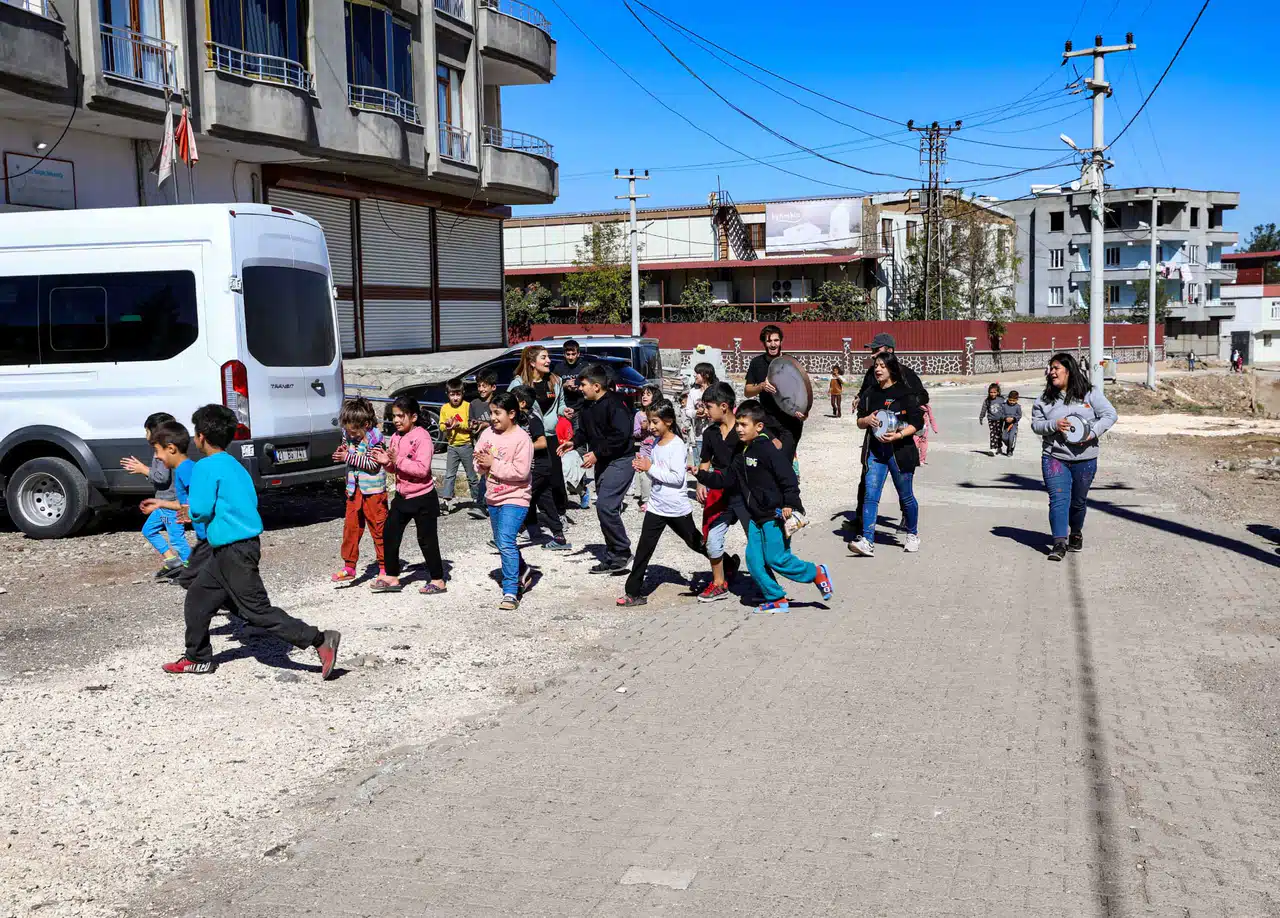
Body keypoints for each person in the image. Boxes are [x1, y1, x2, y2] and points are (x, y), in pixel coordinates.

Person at [164, 405, 340, 678]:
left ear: (200, 437)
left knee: (257, 611)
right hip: (234, 547)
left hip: (233, 549)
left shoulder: (204, 467)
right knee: (198, 598)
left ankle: (319, 639)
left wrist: (190, 511)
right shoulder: (235, 464)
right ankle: (197, 657)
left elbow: (200, 509)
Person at [695, 400, 832, 614]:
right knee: (754, 562)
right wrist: (700, 475)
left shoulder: (767, 449)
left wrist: (790, 504)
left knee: (777, 558)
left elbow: (788, 479)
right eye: (737, 424)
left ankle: (815, 573)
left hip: (775, 515)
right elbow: (727, 479)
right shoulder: (741, 453)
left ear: (758, 427)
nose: (739, 429)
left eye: (744, 425)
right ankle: (776, 598)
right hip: (755, 517)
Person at [617, 402, 707, 607]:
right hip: (657, 506)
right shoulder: (657, 443)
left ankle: (726, 564)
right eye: (649, 421)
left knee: (695, 543)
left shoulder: (677, 445)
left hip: (676, 507)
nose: (651, 426)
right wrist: (643, 466)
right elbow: (656, 469)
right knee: (643, 549)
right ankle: (633, 592)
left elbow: (677, 478)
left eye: (655, 421)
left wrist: (650, 468)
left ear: (669, 421)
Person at [1031, 352, 1118, 562]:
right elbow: (1036, 425)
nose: (1051, 373)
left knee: (1077, 502)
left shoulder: (1090, 394)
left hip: (1085, 459)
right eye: (1050, 369)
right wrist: (1054, 424)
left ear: (1069, 371)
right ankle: (1059, 542)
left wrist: (1092, 433)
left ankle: (1076, 533)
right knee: (1058, 500)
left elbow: (1110, 415)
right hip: (1054, 457)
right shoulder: (1044, 400)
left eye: (1056, 368)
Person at [557, 363, 635, 574]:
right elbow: (585, 431)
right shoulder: (587, 406)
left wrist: (598, 453)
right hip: (603, 462)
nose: (579, 388)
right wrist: (573, 442)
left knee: (605, 506)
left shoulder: (616, 405)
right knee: (604, 509)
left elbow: (621, 436)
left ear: (597, 386)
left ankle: (622, 551)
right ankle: (612, 556)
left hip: (621, 461)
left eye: (583, 384)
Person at [852, 333, 930, 533]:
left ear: (890, 351)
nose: (873, 355)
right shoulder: (872, 373)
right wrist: (859, 400)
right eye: (872, 351)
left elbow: (922, 396)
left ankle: (908, 520)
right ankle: (862, 519)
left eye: (876, 350)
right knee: (867, 475)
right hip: (875, 433)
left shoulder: (906, 374)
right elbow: (864, 393)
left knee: (902, 485)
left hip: (898, 437)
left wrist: (903, 410)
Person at [370, 396, 447, 596]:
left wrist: (398, 460)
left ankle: (438, 580)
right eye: (393, 416)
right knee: (390, 533)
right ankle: (392, 576)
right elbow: (394, 468)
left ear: (413, 417)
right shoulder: (395, 437)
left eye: (400, 416)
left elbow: (422, 469)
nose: (396, 420)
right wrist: (385, 462)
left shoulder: (422, 437)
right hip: (402, 496)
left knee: (427, 539)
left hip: (423, 497)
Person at [475, 392, 534, 610]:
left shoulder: (521, 439)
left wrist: (492, 463)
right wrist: (481, 465)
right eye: (491, 412)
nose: (493, 417)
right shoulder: (487, 434)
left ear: (512, 413)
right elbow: (478, 458)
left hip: (516, 496)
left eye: (497, 413)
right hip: (493, 495)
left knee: (507, 540)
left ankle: (511, 590)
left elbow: (521, 472)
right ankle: (523, 570)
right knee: (501, 541)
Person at [122, 411, 190, 578]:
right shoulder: (165, 450)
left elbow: (161, 477)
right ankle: (172, 561)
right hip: (163, 504)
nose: (145, 435)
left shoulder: (162, 453)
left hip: (170, 505)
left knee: (177, 539)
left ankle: (191, 569)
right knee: (148, 530)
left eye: (147, 431)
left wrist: (142, 469)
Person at [330, 397, 388, 585]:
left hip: (373, 492)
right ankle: (349, 565)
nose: (349, 434)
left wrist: (349, 457)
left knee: (379, 529)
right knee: (351, 528)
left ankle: (384, 566)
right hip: (354, 491)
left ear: (365, 424)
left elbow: (372, 465)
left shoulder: (375, 439)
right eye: (346, 430)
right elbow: (350, 451)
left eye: (353, 430)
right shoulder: (350, 436)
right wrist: (344, 451)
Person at [695, 381, 744, 603]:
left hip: (745, 494)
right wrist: (700, 483)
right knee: (712, 538)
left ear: (723, 406)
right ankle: (718, 583)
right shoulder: (710, 433)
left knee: (757, 541)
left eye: (709, 406)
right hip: (720, 492)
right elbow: (705, 462)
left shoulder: (745, 429)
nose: (705, 411)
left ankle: (767, 583)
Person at [511, 384, 571, 552]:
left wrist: (522, 446)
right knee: (545, 501)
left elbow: (542, 442)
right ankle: (557, 537)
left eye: (512, 400)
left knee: (522, 497)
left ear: (522, 403)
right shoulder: (520, 417)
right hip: (537, 467)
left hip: (540, 467)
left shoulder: (532, 418)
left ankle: (506, 535)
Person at [511, 345, 569, 516]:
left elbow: (560, 405)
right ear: (532, 362)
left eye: (548, 357)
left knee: (556, 478)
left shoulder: (555, 381)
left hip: (550, 436)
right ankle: (528, 518)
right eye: (543, 357)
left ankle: (560, 513)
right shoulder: (518, 384)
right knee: (530, 478)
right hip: (529, 437)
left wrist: (564, 411)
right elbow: (510, 407)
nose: (548, 361)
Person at [743, 325, 806, 466]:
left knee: (784, 462)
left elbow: (802, 391)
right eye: (769, 341)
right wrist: (761, 386)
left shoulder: (791, 362)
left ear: (781, 341)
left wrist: (803, 411)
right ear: (764, 343)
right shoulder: (756, 363)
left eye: (776, 340)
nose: (773, 344)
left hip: (791, 422)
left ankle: (788, 485)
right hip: (767, 421)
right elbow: (747, 391)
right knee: (768, 461)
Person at [439, 378, 481, 514]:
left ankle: (477, 500)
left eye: (458, 394)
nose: (455, 398)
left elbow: (471, 426)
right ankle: (446, 501)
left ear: (463, 393)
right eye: (452, 394)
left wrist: (459, 425)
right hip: (452, 446)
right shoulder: (445, 408)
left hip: (466, 445)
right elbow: (440, 425)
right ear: (447, 394)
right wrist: (447, 427)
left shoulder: (468, 407)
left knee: (471, 475)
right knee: (450, 475)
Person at [468, 371, 498, 518]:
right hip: (482, 444)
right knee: (485, 473)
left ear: (493, 387)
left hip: (498, 444)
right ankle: (481, 504)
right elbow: (471, 423)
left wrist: (486, 424)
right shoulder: (474, 404)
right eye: (479, 386)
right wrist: (474, 426)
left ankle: (486, 504)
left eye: (484, 386)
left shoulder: (498, 403)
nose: (481, 389)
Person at [630, 385, 661, 512]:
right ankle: (647, 500)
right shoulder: (639, 414)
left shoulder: (659, 412)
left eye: (648, 394)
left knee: (657, 475)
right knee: (644, 475)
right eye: (643, 394)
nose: (644, 396)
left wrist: (650, 425)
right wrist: (642, 428)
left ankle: (658, 498)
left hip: (658, 449)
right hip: (644, 449)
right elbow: (635, 433)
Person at [978, 383, 1007, 456]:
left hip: (1000, 419)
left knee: (999, 433)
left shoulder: (1001, 399)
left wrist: (1007, 417)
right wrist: (981, 417)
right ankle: (993, 448)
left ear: (998, 392)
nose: (993, 394)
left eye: (994, 392)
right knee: (993, 433)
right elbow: (984, 409)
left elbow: (1006, 408)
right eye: (991, 392)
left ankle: (999, 447)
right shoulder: (987, 401)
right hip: (991, 419)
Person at [1002, 390, 1023, 457]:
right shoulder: (1004, 405)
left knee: (1011, 438)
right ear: (1008, 398)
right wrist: (1005, 418)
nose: (1011, 402)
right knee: (1004, 438)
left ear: (1017, 400)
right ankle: (1009, 445)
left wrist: (1013, 419)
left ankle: (1010, 450)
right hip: (1006, 425)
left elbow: (1019, 415)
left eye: (1014, 401)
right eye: (1010, 400)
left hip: (1014, 425)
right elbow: (1001, 414)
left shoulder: (1018, 406)